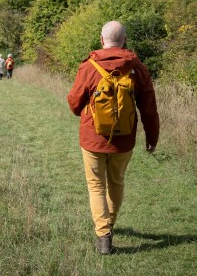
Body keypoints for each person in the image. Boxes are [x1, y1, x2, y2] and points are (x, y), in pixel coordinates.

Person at [67, 21, 159, 255]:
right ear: (125, 40)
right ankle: (109, 224)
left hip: (92, 138)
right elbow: (148, 109)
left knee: (96, 186)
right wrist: (152, 137)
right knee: (116, 182)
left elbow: (75, 104)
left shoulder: (88, 67)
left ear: (101, 40)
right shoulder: (138, 68)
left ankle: (103, 235)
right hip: (124, 140)